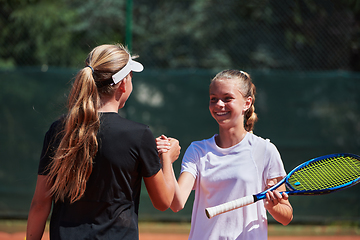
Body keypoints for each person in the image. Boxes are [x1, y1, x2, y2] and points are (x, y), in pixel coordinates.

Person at [26, 44, 180, 240]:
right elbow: (163, 201)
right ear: (123, 84)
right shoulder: (139, 135)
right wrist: (167, 157)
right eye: (131, 77)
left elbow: (40, 203)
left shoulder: (58, 130)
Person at [157, 69, 293, 240]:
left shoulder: (265, 150)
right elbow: (176, 204)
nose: (219, 104)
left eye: (227, 98)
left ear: (246, 103)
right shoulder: (197, 151)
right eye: (214, 99)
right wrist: (166, 160)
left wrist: (273, 206)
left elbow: (286, 216)